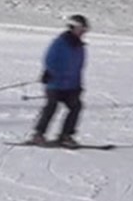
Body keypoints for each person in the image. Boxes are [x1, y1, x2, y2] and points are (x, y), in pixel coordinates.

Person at [30, 13, 90, 148]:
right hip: (55, 84)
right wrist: (51, 73)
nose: (83, 32)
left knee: (76, 107)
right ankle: (38, 134)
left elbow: (79, 67)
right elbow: (49, 59)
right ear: (73, 27)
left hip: (71, 86)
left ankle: (65, 136)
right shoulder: (60, 42)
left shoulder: (79, 47)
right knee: (51, 106)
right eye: (81, 29)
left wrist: (78, 85)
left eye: (85, 30)